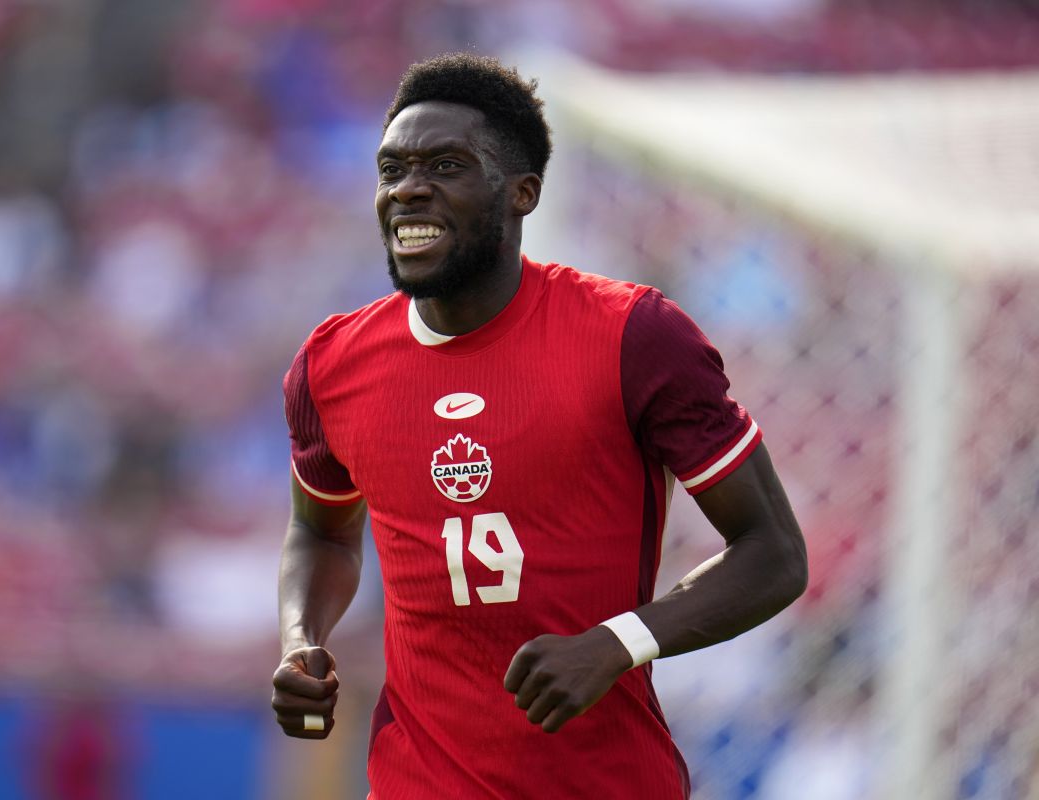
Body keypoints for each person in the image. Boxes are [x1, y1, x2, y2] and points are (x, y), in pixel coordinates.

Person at [271, 52, 807, 799]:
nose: (409, 189)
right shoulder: (331, 365)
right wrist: (302, 641)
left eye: (446, 165)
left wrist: (619, 643)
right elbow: (322, 532)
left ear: (522, 193)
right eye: (392, 169)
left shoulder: (632, 336)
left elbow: (774, 553)